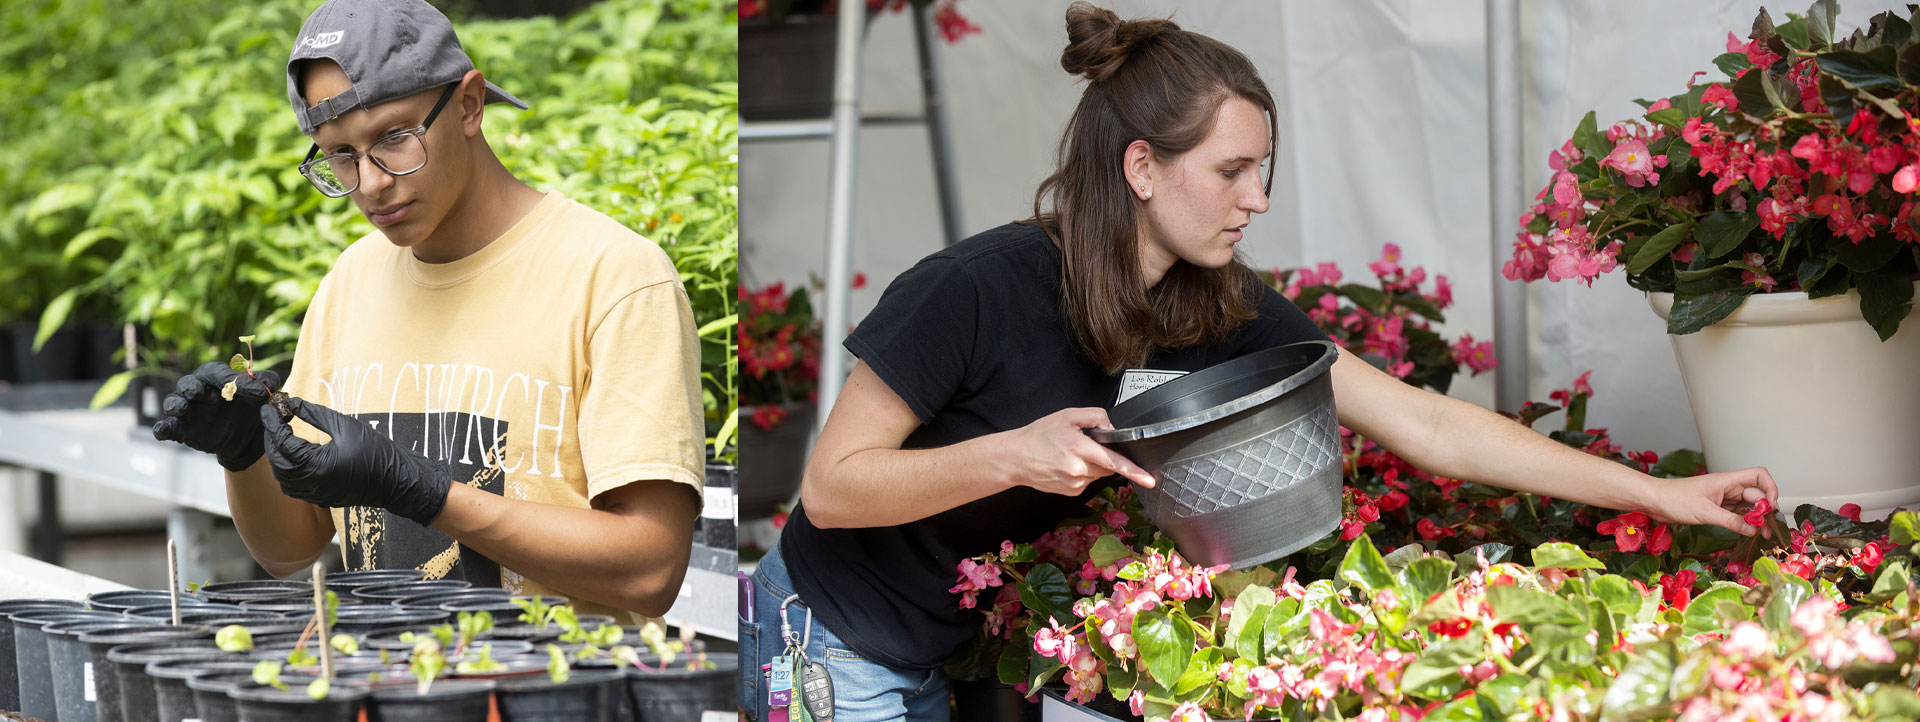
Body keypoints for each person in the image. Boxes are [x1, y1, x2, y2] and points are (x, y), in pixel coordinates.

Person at [743, 3, 1778, 720]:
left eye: (1262, 170)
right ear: (1141, 166)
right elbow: (831, 489)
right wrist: (1015, 454)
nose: (1259, 198)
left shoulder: (1212, 306)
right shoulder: (974, 286)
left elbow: (1427, 423)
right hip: (833, 637)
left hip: (958, 641)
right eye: (1233, 170)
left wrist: (1661, 492)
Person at [150, 0, 705, 622]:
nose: (370, 183)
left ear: (469, 105)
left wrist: (425, 493)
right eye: (339, 155)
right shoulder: (350, 283)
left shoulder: (614, 276)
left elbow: (651, 568)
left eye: (392, 138)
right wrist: (245, 453)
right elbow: (291, 547)